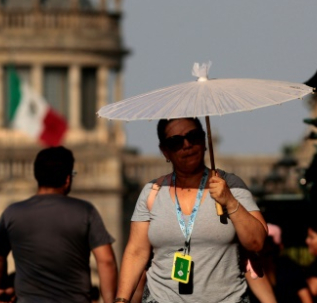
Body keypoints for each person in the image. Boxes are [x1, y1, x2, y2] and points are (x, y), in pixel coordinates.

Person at [115, 117, 268, 302]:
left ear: (205, 142)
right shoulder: (152, 192)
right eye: (176, 141)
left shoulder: (232, 186)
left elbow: (257, 242)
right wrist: (121, 300)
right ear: (165, 152)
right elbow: (136, 252)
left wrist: (230, 202)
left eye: (193, 136)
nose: (187, 145)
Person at [0, 146, 118, 303]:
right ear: (67, 179)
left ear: (37, 177)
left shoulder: (12, 213)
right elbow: (106, 261)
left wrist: (1, 285)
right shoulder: (85, 211)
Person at [248, 224, 312, 303]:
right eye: (262, 243)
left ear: (279, 246)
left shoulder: (290, 268)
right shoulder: (250, 270)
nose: (265, 248)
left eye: (269, 243)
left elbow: (306, 298)